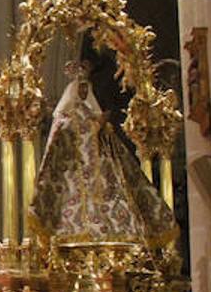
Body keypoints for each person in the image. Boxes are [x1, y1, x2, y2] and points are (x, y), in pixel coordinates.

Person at [29, 61, 177, 245]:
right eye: (80, 89)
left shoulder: (98, 121)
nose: (83, 93)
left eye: (86, 89)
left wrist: (99, 125)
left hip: (99, 175)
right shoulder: (63, 120)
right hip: (71, 175)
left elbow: (111, 145)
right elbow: (57, 143)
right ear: (72, 91)